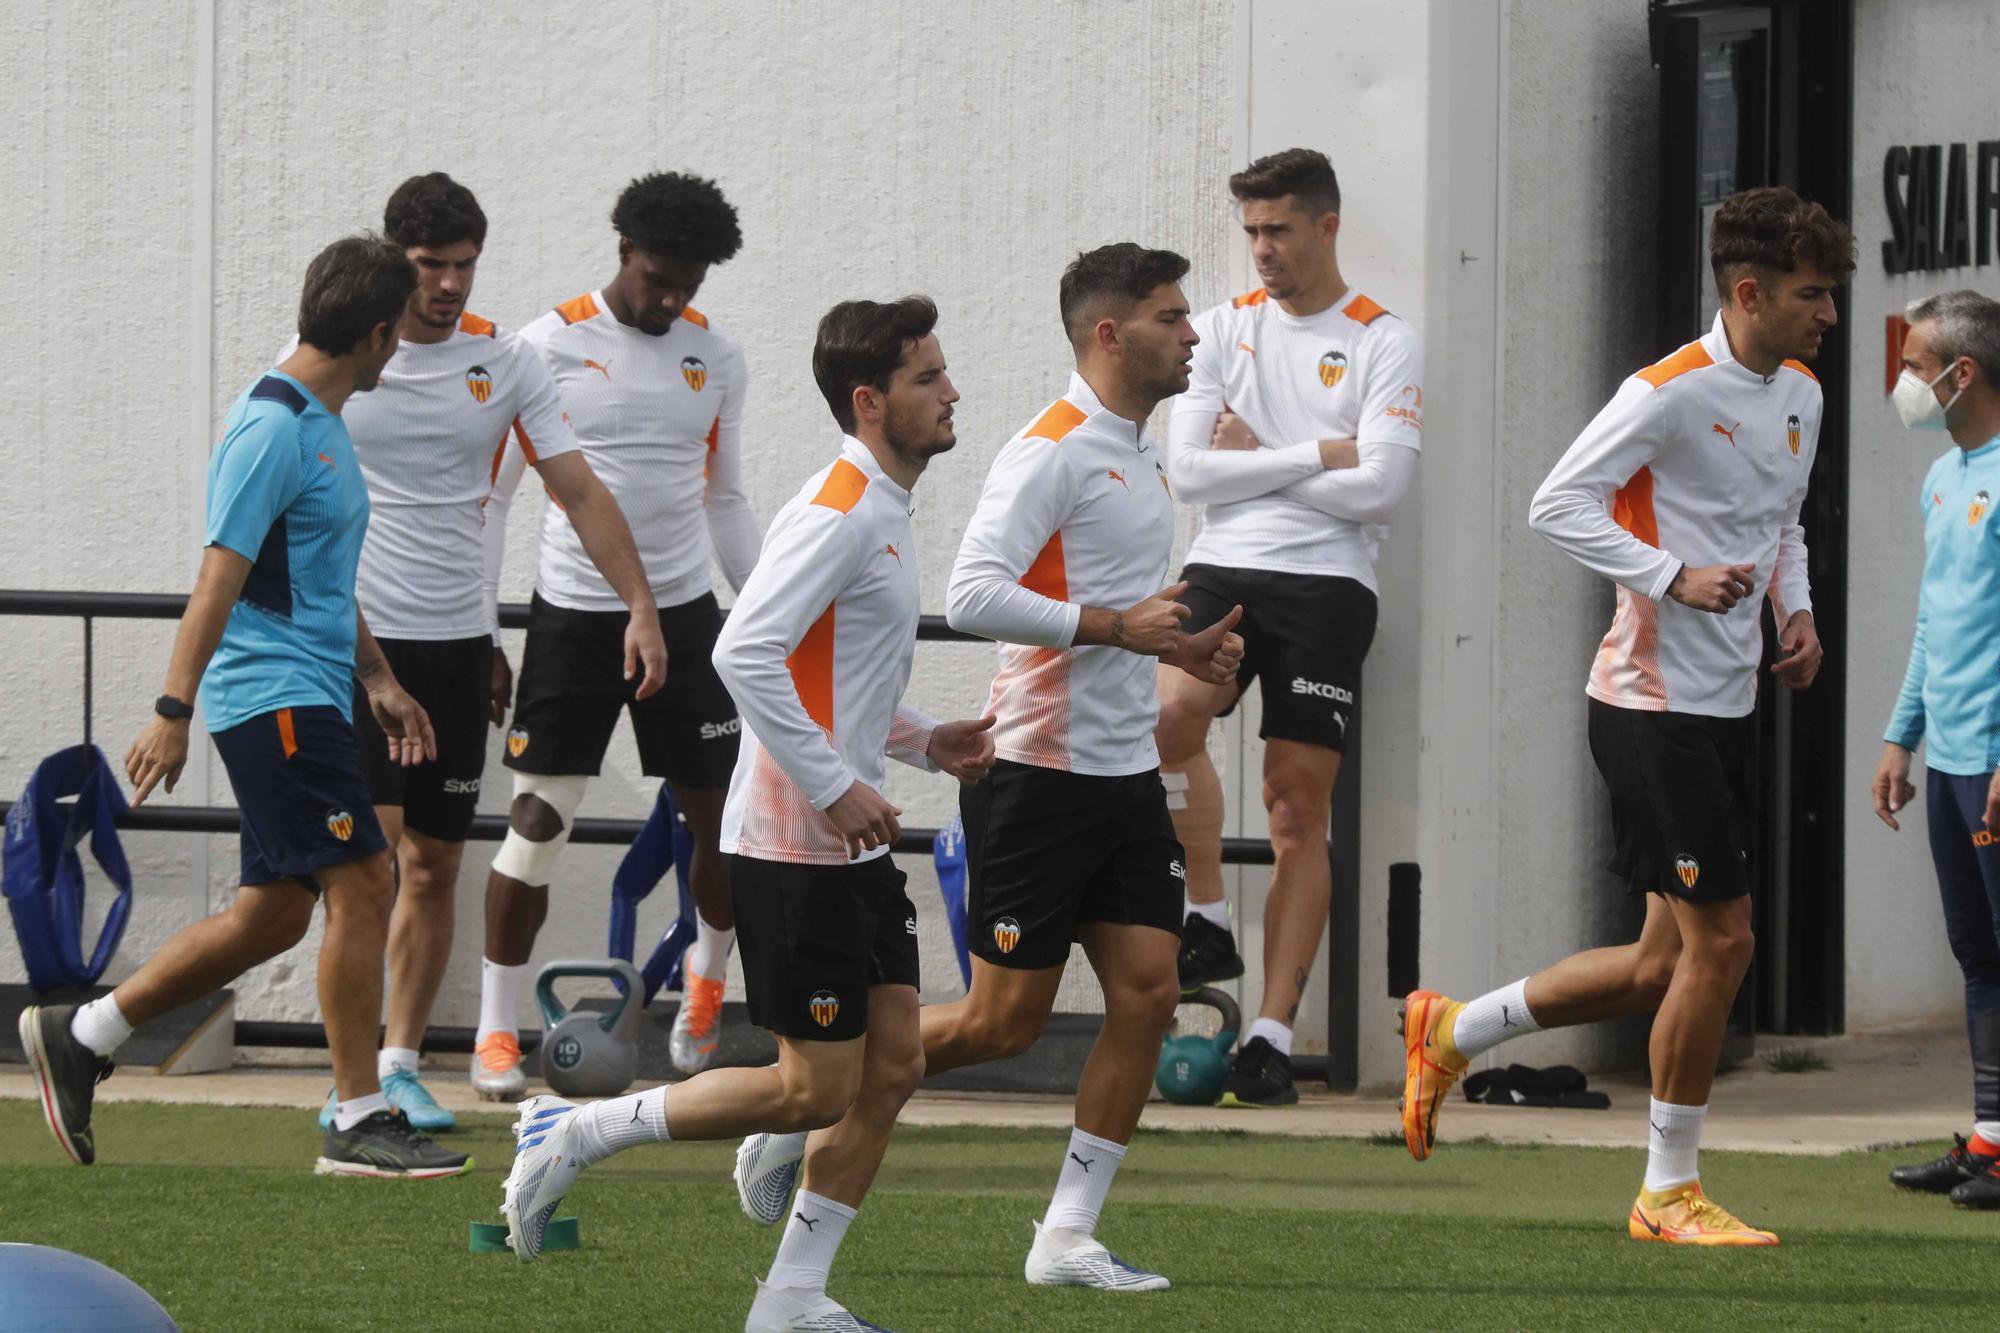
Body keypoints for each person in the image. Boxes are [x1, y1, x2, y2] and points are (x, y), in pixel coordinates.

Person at [501, 297, 993, 1333]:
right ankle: (572, 1128)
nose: (951, 393)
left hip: (849, 839)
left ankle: (791, 1299)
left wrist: (921, 740)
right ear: (869, 401)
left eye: (943, 373)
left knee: (893, 1066)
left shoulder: (881, 507)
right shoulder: (840, 509)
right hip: (789, 843)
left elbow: (832, 679)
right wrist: (829, 782)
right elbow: (741, 654)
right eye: (926, 378)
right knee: (812, 1091)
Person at [1399, 186, 1851, 1246]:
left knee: (1661, 963)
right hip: (1649, 709)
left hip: (1721, 702)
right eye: (1810, 295)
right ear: (1746, 292)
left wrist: (1797, 616)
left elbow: (1779, 524)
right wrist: (1668, 575)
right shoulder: (1662, 393)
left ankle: (1452, 1028)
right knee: (1724, 944)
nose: (1825, 315)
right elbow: (1555, 502)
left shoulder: (1800, 394)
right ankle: (1666, 1191)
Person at [804, 243, 1238, 1294]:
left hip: (1124, 771)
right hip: (1034, 772)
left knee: (1146, 991)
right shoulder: (1047, 450)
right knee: (1005, 1022)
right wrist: (1118, 628)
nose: (1191, 335)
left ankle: (1066, 1235)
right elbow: (975, 591)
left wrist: (1167, 647)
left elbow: (1114, 618)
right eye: (1172, 317)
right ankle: (805, 1111)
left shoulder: (1140, 454)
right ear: (1108, 333)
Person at [17, 236, 470, 1177]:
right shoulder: (271, 426)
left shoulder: (321, 422)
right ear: (380, 334)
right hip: (276, 700)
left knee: (274, 915)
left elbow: (319, 580)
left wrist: (379, 677)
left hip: (313, 693)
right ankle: (355, 1118)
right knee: (366, 881)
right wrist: (171, 707)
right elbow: (217, 577)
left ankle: (86, 1033)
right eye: (404, 334)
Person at [294, 173, 662, 1132]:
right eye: (430, 266)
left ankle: (402, 1062)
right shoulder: (335, 363)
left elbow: (578, 491)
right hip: (356, 643)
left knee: (434, 867)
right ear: (393, 262)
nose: (450, 284)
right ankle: (351, 1084)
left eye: (464, 265)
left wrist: (640, 604)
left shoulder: (507, 362)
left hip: (457, 648)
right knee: (365, 870)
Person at [477, 171, 760, 1094]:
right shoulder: (544, 343)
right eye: (657, 277)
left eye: (690, 281)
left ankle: (705, 991)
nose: (672, 297)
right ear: (622, 250)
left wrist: (764, 613)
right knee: (537, 821)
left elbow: (724, 499)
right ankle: (494, 1034)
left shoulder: (715, 358)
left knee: (719, 826)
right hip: (573, 615)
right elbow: (496, 499)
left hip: (684, 616)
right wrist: (485, 628)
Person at [1156, 147, 1424, 1106]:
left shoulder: (1384, 339)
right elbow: (1189, 474)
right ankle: (1207, 912)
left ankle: (1270, 1034)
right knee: (1171, 710)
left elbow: (1383, 489)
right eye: (1252, 233)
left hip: (1327, 583)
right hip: (1225, 561)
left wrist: (1259, 452)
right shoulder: (1223, 329)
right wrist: (1317, 454)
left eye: (1279, 230)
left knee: (1294, 808)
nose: (1262, 250)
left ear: (1326, 226)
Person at [1874, 290, 2000, 1211]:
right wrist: (1898, 734)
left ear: (1964, 375)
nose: (1903, 383)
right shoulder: (1942, 477)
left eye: (1915, 366)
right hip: (1953, 755)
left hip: (1994, 758)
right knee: (1977, 950)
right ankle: (1993, 1137)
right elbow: (1934, 619)